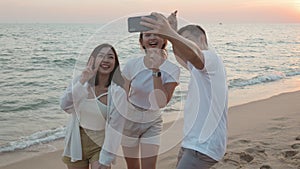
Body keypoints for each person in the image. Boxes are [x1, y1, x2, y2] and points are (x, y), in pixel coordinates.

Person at [140, 11, 228, 169]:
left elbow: (195, 53)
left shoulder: (210, 58)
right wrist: (172, 34)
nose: (183, 44)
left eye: (187, 39)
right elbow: (182, 55)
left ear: (201, 38)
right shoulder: (198, 68)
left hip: (203, 145)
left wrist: (170, 33)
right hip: (193, 143)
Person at [121, 23, 180, 169]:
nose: (152, 37)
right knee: (132, 166)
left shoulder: (172, 69)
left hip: (152, 120)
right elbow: (121, 96)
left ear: (164, 40)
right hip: (129, 119)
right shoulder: (132, 65)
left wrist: (155, 71)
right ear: (141, 41)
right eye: (147, 35)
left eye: (156, 34)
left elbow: (160, 102)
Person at [59, 43, 127, 169]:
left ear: (115, 63)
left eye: (110, 57)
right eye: (101, 56)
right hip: (77, 141)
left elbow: (116, 127)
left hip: (101, 143)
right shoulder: (81, 81)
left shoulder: (118, 92)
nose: (106, 60)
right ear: (93, 60)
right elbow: (65, 105)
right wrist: (83, 80)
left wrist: (106, 159)